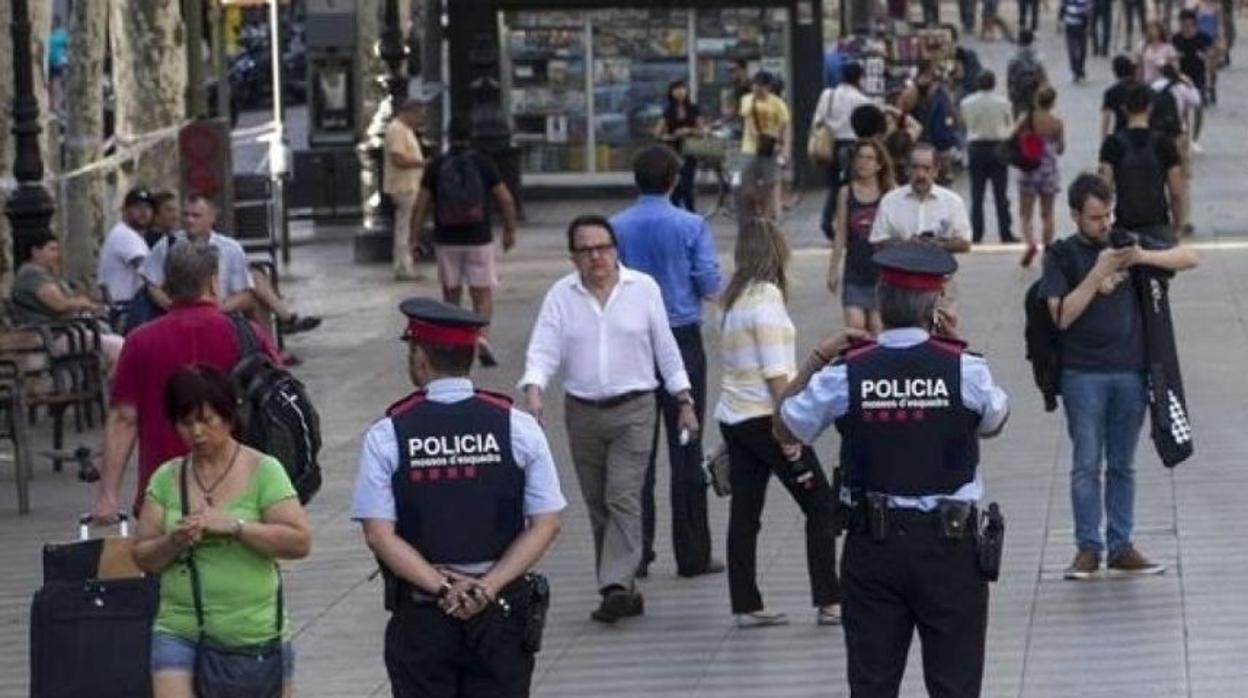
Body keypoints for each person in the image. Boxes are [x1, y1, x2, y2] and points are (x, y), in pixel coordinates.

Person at [775, 242, 1010, 697]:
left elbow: (784, 428)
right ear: (936, 305)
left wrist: (819, 357)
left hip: (873, 548)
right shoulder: (965, 370)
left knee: (872, 683)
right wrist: (950, 345)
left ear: (880, 301)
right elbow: (994, 422)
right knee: (956, 684)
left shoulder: (846, 372)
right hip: (950, 549)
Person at [351, 297, 564, 695]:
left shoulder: (388, 434)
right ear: (471, 353)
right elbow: (547, 523)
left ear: (419, 357)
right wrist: (487, 586)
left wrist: (443, 587)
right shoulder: (518, 426)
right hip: (500, 611)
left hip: (423, 613)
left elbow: (379, 534)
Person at [520, 215, 697, 623]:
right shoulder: (561, 296)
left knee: (622, 495)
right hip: (582, 411)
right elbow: (543, 348)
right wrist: (534, 390)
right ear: (573, 257)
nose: (596, 257)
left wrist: (683, 398)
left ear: (616, 250)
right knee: (598, 503)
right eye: (586, 250)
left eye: (603, 247)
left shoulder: (643, 289)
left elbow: (665, 347)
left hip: (635, 408)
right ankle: (623, 588)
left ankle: (614, 584)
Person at [1038, 173, 1198, 580]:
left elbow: (1189, 257)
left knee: (1123, 464)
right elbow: (1061, 316)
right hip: (1082, 375)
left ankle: (1121, 544)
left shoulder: (1125, 241)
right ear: (1075, 215)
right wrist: (1096, 276)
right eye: (1095, 218)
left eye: (1108, 214)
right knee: (1086, 464)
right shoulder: (1061, 255)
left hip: (1130, 371)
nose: (1104, 224)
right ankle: (1087, 547)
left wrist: (1140, 256)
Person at [133, 364, 311, 698]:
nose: (196, 433)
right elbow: (143, 556)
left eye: (206, 420)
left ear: (229, 417)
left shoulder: (264, 470)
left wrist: (235, 526)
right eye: (186, 423)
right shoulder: (166, 478)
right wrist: (173, 541)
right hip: (179, 626)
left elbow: (299, 542)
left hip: (251, 634)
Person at [91, 239, 281, 522]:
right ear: (214, 283)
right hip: (243, 494)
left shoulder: (140, 342)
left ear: (167, 286)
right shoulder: (248, 335)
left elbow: (124, 419)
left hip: (165, 497)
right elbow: (277, 401)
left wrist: (108, 495)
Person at [716, 218, 841, 629]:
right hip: (767, 419)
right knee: (820, 505)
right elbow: (776, 374)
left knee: (745, 513)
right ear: (777, 251)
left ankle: (746, 603)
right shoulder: (766, 298)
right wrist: (790, 431)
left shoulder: (732, 300)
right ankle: (830, 600)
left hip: (735, 418)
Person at [611, 145, 723, 580]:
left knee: (636, 449)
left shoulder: (617, 227)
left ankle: (636, 552)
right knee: (686, 445)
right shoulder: (691, 225)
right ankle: (692, 552)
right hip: (680, 338)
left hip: (632, 341)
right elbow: (709, 282)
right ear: (675, 180)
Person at [412, 117, 519, 367]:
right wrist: (509, 230)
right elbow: (506, 199)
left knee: (451, 295)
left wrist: (413, 237)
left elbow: (421, 204)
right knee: (482, 294)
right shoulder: (483, 163)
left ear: (447, 135)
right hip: (479, 239)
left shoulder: (436, 165)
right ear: (472, 136)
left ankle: (455, 342)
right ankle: (481, 339)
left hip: (446, 239)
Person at [142, 195, 321, 337]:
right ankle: (280, 334)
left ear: (211, 218)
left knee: (255, 293)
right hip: (179, 311)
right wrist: (170, 305)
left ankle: (269, 353)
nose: (189, 220)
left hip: (220, 309)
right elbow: (152, 283)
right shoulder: (168, 244)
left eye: (196, 216)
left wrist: (216, 309)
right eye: (186, 215)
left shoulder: (230, 248)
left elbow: (244, 293)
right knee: (257, 287)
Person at [11, 233, 124, 366]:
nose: (57, 255)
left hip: (65, 332)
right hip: (55, 336)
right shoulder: (32, 275)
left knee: (115, 342)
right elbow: (60, 304)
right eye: (52, 249)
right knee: (119, 346)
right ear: (35, 251)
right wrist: (83, 303)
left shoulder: (44, 274)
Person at [1098, 83, 1185, 242]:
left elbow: (1104, 187)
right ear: (1150, 108)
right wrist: (1178, 226)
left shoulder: (1112, 144)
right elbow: (1176, 192)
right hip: (1158, 224)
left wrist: (1103, 224)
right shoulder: (1164, 143)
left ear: (1124, 109)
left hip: (1125, 226)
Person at [828, 139, 893, 334]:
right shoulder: (846, 193)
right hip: (854, 272)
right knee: (855, 327)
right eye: (860, 157)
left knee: (877, 327)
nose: (864, 162)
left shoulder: (888, 194)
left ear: (879, 164)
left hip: (881, 274)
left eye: (869, 158)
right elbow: (840, 233)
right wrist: (833, 269)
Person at [869, 143, 972, 254]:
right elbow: (877, 241)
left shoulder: (952, 202)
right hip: (899, 268)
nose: (920, 174)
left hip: (937, 269)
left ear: (936, 171)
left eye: (926, 168)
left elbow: (965, 243)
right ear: (907, 169)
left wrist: (938, 245)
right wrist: (907, 244)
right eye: (915, 167)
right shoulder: (890, 201)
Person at [811, 63, 875, 237]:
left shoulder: (828, 95)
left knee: (834, 187)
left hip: (831, 146)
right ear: (859, 78)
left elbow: (818, 120)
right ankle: (848, 223)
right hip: (853, 146)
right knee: (852, 187)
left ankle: (827, 221)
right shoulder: (862, 100)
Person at [960, 70, 1017, 246]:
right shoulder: (1004, 103)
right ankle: (1005, 232)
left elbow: (964, 124)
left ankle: (976, 233)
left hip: (976, 148)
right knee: (1001, 194)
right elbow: (1010, 125)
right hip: (998, 148)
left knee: (977, 194)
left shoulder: (966, 103)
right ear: (994, 83)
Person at [1016, 86, 1067, 266]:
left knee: (1026, 213)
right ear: (1053, 102)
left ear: (1037, 100)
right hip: (1048, 171)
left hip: (1029, 169)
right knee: (1048, 214)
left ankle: (1030, 243)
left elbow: (1014, 137)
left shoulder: (1027, 119)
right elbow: (1061, 148)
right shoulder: (1056, 122)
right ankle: (1047, 250)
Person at [739, 72, 791, 220]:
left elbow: (785, 126)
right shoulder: (747, 100)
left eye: (761, 85)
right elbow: (748, 119)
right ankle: (758, 204)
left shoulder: (778, 103)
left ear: (768, 87)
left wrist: (785, 148)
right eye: (755, 85)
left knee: (769, 184)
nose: (757, 88)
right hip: (748, 148)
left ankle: (766, 218)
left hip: (770, 149)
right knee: (744, 184)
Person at [96, 187, 154, 322]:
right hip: (126, 309)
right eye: (137, 207)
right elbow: (149, 275)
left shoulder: (126, 234)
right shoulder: (126, 235)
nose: (144, 212)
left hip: (125, 307)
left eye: (147, 207)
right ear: (125, 210)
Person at [385, 98, 427, 281]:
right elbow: (398, 159)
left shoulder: (406, 130)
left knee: (406, 226)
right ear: (410, 112)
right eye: (419, 116)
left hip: (410, 184)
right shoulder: (397, 130)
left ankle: (405, 264)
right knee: (404, 227)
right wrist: (422, 163)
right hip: (403, 186)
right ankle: (403, 267)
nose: (419, 120)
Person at [654, 80, 706, 213]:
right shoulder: (668, 111)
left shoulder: (693, 109)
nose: (680, 92)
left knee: (687, 185)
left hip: (690, 150)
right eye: (676, 89)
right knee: (676, 186)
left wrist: (688, 130)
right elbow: (658, 133)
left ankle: (691, 213)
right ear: (671, 93)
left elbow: (702, 131)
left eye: (682, 89)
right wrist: (670, 137)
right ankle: (675, 212)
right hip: (673, 151)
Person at [1173, 10, 1215, 148]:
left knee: (1199, 107)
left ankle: (1195, 139)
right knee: (1183, 108)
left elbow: (1215, 53)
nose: (1185, 27)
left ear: (1194, 23)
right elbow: (1170, 55)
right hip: (1181, 78)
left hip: (1199, 77)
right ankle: (1186, 134)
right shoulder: (1176, 38)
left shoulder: (1203, 38)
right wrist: (1175, 59)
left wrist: (1207, 56)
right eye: (1182, 23)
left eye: (1188, 24)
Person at [1008, 30, 1049, 118]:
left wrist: (1011, 95)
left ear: (1019, 41)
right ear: (1032, 41)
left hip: (1018, 94)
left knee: (1019, 119)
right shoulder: (1038, 57)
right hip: (1034, 92)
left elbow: (1010, 79)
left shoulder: (1013, 58)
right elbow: (1043, 78)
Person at [1101, 55, 1139, 139]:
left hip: (1120, 132)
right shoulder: (1143, 89)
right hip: (1142, 132)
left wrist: (1104, 138)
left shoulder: (1111, 92)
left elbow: (1106, 117)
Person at [1061, 0, 1092, 82]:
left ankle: (1080, 68)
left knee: (1083, 50)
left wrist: (1087, 13)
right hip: (1070, 26)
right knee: (1072, 51)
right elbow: (1063, 7)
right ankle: (1075, 71)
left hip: (1082, 26)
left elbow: (1089, 8)